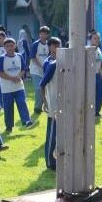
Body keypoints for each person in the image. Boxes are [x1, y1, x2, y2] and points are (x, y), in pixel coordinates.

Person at [0, 38, 33, 131]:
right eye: (7, 46)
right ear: (4, 47)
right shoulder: (1, 58)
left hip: (19, 87)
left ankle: (27, 120)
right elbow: (0, 73)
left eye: (11, 45)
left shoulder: (19, 56)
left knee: (22, 102)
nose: (10, 48)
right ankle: (9, 126)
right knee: (8, 107)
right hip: (6, 88)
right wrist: (12, 78)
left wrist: (19, 76)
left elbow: (23, 69)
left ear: (15, 46)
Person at [40, 38, 61, 170]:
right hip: (53, 103)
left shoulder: (70, 64)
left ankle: (59, 159)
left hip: (65, 104)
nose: (57, 47)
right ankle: (50, 162)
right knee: (52, 134)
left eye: (58, 45)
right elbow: (42, 84)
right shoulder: (51, 64)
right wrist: (45, 102)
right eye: (54, 45)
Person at [29, 26, 51, 113]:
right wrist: (42, 66)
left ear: (47, 35)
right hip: (35, 70)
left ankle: (45, 106)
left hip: (45, 70)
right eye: (41, 33)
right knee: (38, 88)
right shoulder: (35, 44)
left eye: (45, 33)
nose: (43, 35)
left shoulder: (49, 44)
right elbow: (33, 57)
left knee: (45, 89)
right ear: (39, 34)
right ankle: (37, 108)